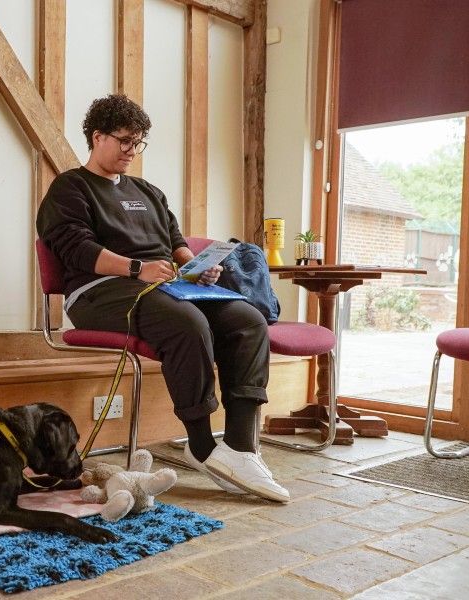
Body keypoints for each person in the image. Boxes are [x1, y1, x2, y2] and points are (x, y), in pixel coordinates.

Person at [36, 94, 289, 502]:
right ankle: (202, 444)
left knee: (247, 320)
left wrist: (195, 265)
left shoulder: (147, 191)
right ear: (97, 137)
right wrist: (138, 269)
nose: (131, 151)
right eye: (123, 141)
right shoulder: (70, 188)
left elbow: (174, 242)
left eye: (138, 143)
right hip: (100, 291)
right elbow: (76, 249)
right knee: (187, 323)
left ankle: (241, 448)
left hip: (166, 285)